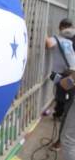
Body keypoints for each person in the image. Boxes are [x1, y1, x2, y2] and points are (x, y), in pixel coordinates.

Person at [45, 18, 75, 151]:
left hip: (67, 77)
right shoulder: (69, 41)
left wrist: (44, 34)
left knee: (68, 137)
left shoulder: (57, 39)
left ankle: (59, 143)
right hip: (70, 76)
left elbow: (48, 44)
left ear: (60, 27)